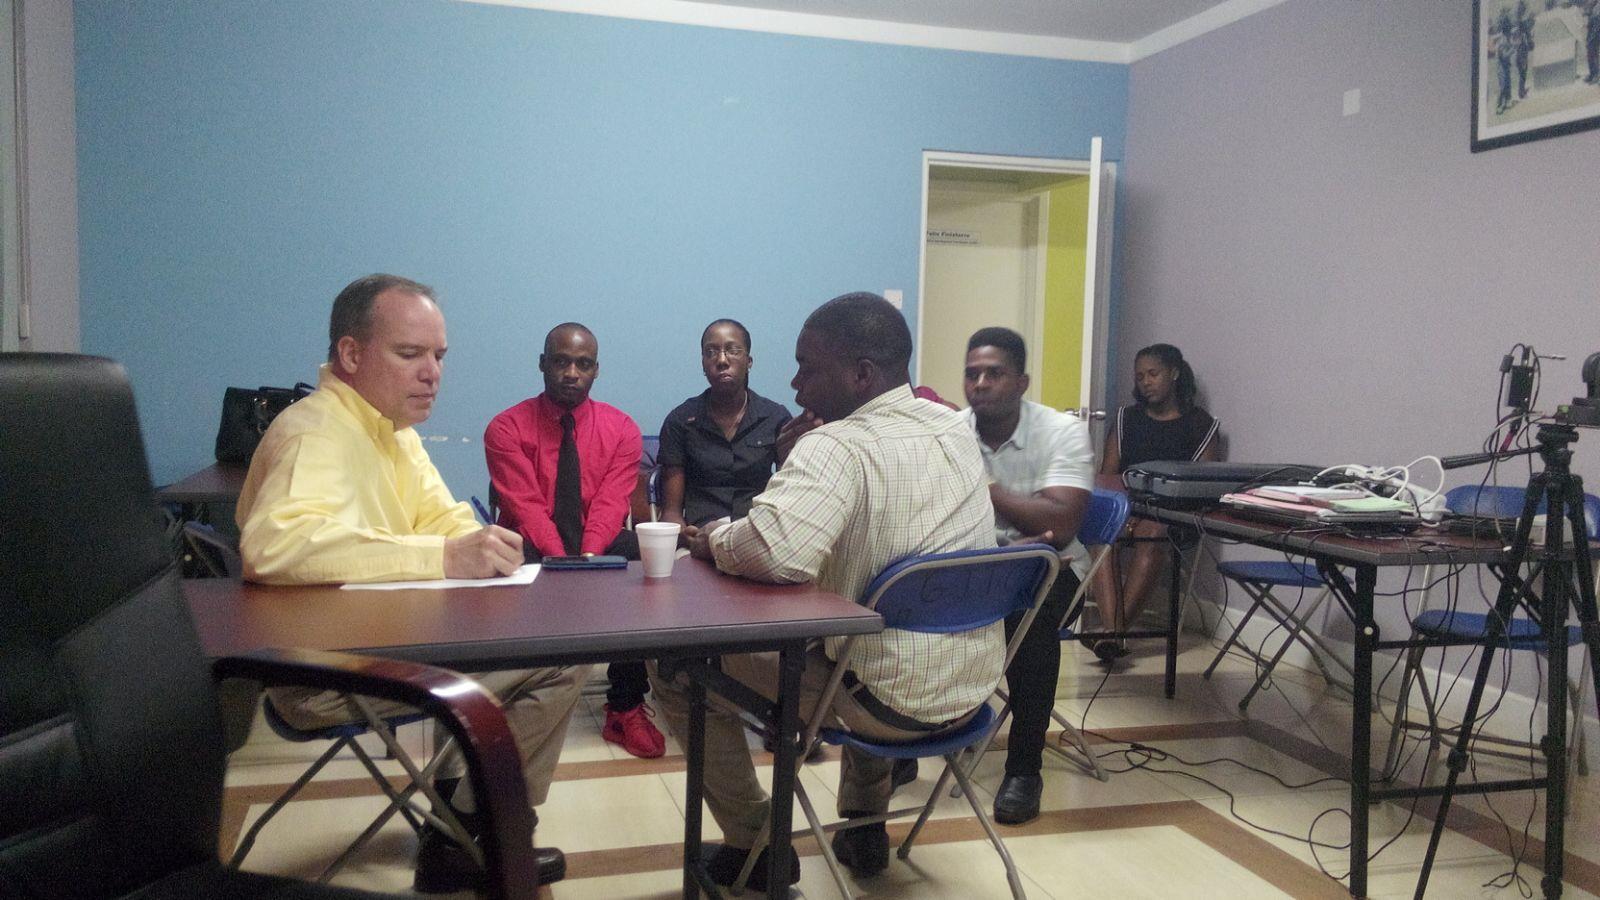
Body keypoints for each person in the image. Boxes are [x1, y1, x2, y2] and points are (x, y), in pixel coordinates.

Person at [236, 274, 580, 892]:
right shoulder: (316, 431)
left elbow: (442, 521)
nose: (432, 373)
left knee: (528, 643)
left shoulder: (392, 431)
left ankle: (460, 823)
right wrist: (445, 557)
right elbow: (275, 546)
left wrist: (483, 545)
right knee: (560, 661)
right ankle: (469, 832)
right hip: (321, 674)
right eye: (410, 353)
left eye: (439, 356)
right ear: (350, 354)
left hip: (385, 647)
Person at [649, 292, 1000, 889]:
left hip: (884, 705)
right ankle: (864, 823)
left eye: (807, 367)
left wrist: (713, 538)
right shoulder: (954, 427)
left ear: (861, 374)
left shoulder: (837, 446)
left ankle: (755, 841)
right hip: (974, 690)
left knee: (673, 665)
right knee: (870, 627)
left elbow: (775, 553)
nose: (795, 384)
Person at [484, 323, 664, 759]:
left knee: (639, 559)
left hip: (592, 540)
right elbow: (526, 507)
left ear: (596, 370)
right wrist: (564, 563)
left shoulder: (622, 428)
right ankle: (511, 699)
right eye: (561, 362)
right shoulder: (505, 427)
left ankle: (625, 706)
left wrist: (586, 557)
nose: (571, 373)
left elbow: (610, 503)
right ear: (542, 364)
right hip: (530, 543)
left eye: (583, 364)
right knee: (499, 557)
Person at [962, 327, 1093, 825]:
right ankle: (912, 743)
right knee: (908, 602)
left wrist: (984, 488)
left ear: (1022, 382)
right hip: (975, 562)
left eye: (994, 374)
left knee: (1028, 616)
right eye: (972, 374)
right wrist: (1019, 519)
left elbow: (1061, 525)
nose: (980, 384)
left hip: (1051, 568)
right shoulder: (950, 432)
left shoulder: (1061, 432)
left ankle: (1023, 769)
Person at [1091, 343, 1218, 660]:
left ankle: (1112, 633)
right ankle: (1116, 634)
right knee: (1101, 532)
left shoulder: (1200, 424)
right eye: (1140, 376)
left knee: (1153, 532)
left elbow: (1202, 486)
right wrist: (1127, 510)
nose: (1146, 382)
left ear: (1173, 373)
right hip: (1126, 507)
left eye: (1153, 374)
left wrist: (1153, 512)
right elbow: (1108, 476)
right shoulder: (1127, 418)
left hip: (1174, 516)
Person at [657, 318, 792, 531]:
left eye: (733, 350)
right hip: (699, 535)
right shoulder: (680, 421)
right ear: (703, 364)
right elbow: (671, 513)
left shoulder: (776, 418)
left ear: (749, 362)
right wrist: (682, 534)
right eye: (711, 352)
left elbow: (789, 495)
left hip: (756, 533)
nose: (721, 360)